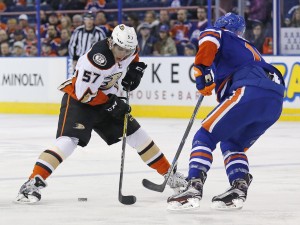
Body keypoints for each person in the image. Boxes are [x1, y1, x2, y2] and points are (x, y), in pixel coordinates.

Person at [15, 24, 187, 204]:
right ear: (112, 43)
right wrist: (112, 104)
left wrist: (136, 68)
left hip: (106, 99)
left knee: (138, 135)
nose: (123, 53)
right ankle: (31, 184)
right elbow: (84, 95)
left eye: (127, 50)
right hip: (80, 101)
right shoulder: (96, 60)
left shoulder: (129, 49)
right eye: (120, 49)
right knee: (68, 142)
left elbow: (134, 55)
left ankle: (171, 176)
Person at [167, 13, 285, 210]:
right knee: (233, 142)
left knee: (205, 135)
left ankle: (193, 186)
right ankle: (239, 187)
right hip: (275, 100)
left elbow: (209, 38)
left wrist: (202, 70)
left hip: (249, 90)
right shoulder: (247, 47)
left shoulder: (219, 33)